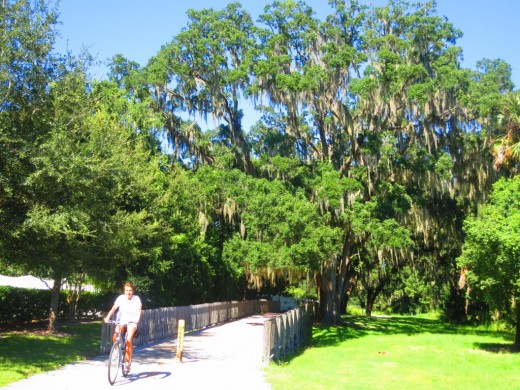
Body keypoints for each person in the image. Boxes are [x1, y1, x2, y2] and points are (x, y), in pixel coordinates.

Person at [104, 282, 142, 374]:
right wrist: (108, 317)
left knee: (129, 339)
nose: (128, 292)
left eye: (130, 290)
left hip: (132, 321)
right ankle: (116, 350)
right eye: (126, 290)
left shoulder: (136, 299)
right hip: (121, 320)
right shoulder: (121, 298)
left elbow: (139, 309)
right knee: (115, 335)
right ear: (124, 291)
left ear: (132, 291)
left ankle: (127, 363)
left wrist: (137, 319)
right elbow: (114, 308)